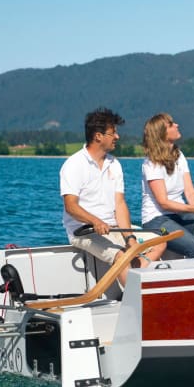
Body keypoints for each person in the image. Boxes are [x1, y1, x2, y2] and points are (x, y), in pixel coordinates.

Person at [59, 106, 147, 286]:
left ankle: (142, 291)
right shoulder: (73, 164)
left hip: (114, 228)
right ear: (98, 136)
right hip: (83, 231)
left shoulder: (115, 164)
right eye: (113, 133)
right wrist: (95, 221)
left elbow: (120, 204)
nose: (117, 137)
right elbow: (71, 206)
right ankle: (137, 305)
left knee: (158, 243)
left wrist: (129, 237)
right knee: (121, 256)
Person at [139, 112, 194, 261]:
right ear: (161, 133)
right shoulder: (151, 163)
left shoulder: (179, 155)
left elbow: (190, 191)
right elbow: (164, 203)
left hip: (179, 214)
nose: (177, 125)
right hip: (157, 219)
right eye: (171, 124)